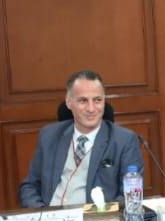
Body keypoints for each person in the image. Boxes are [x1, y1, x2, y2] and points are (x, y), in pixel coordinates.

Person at [19, 70, 142, 208]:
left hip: (94, 218)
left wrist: (101, 215)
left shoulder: (124, 140)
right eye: (83, 101)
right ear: (69, 102)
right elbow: (29, 186)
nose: (91, 109)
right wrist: (43, 214)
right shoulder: (49, 136)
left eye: (97, 100)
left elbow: (130, 195)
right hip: (49, 215)